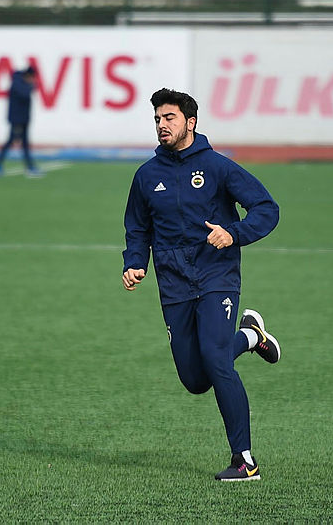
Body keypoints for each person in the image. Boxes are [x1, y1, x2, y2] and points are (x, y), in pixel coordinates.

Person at [122, 88, 281, 482]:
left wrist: (234, 233)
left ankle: (245, 460)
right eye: (157, 119)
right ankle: (250, 336)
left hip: (216, 276)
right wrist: (135, 263)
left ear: (190, 122)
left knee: (216, 360)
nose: (162, 125)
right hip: (173, 283)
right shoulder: (146, 176)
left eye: (169, 118)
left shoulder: (218, 167)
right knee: (195, 380)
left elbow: (266, 208)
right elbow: (137, 227)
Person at [0, 65, 43, 178]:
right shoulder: (17, 83)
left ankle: (29, 167)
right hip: (17, 120)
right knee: (11, 141)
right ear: (28, 76)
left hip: (24, 119)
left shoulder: (22, 83)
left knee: (24, 144)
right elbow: (25, 94)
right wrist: (31, 86)